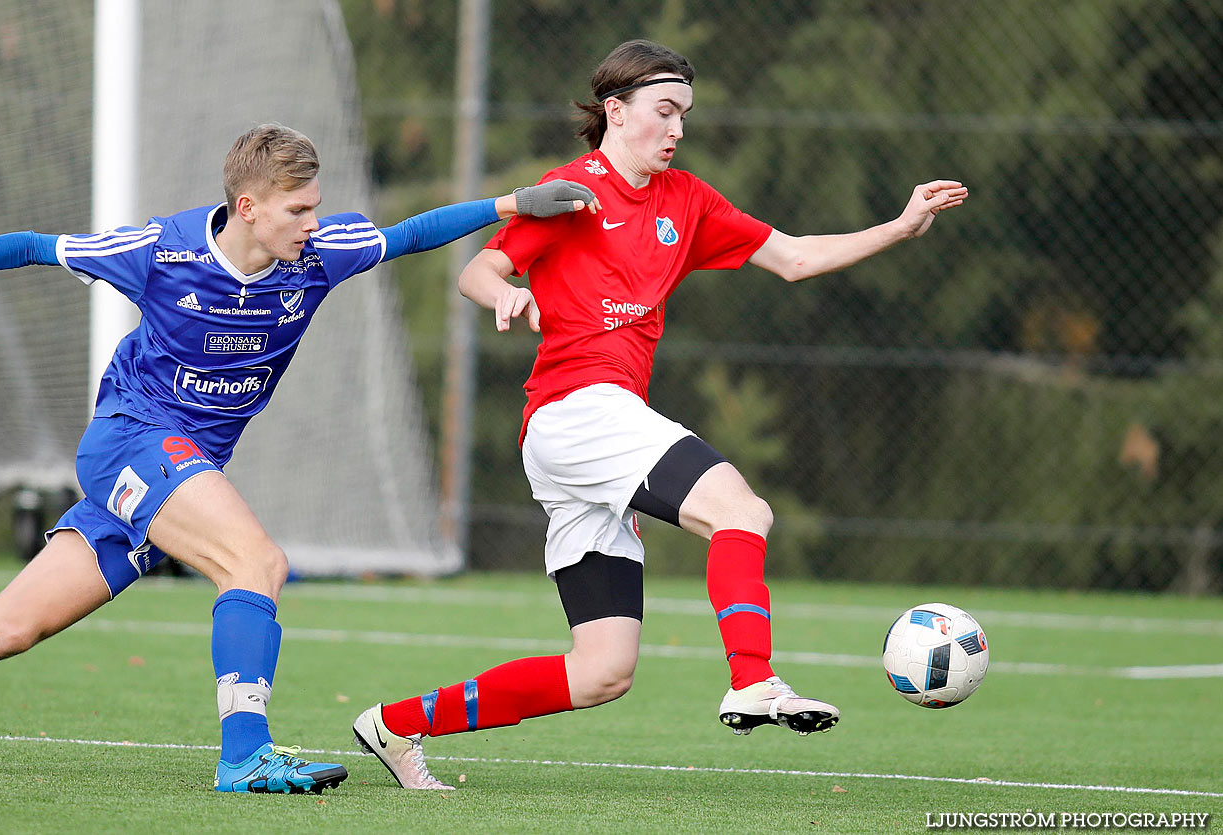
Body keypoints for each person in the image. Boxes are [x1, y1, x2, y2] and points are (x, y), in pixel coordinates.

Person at [0, 123, 597, 794]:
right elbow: (40, 245)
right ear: (250, 204)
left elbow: (413, 233)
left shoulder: (321, 255)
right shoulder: (162, 250)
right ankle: (246, 754)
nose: (315, 222)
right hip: (132, 442)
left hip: (177, 468)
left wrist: (519, 202)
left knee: (3, 629)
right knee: (255, 560)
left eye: (316, 206)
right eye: (298, 209)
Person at [354, 40, 967, 790]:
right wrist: (505, 294)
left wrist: (899, 227)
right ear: (616, 112)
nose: (676, 129)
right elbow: (479, 268)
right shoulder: (574, 189)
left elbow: (797, 257)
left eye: (684, 115)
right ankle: (753, 678)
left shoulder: (688, 199)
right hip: (577, 410)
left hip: (586, 433)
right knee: (742, 511)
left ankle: (397, 724)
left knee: (601, 670)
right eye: (664, 111)